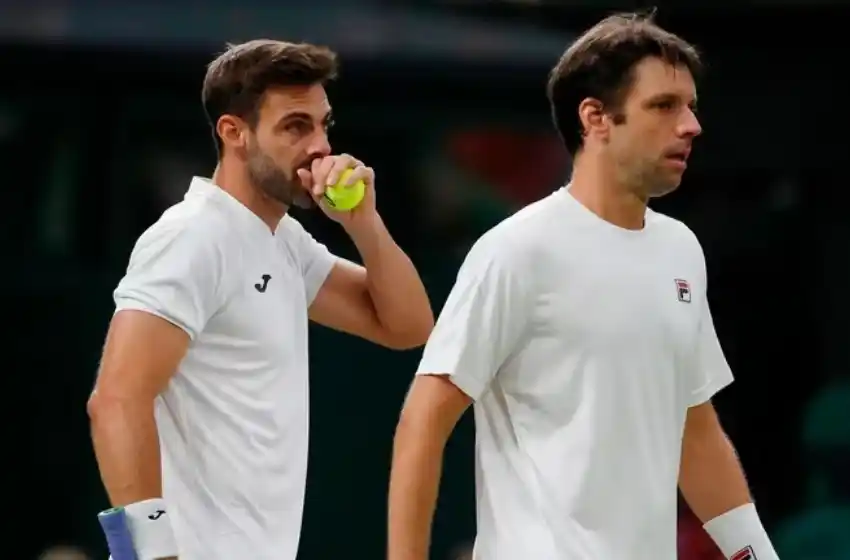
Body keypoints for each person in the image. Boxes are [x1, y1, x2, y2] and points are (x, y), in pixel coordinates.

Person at [388, 13, 779, 560]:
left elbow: (695, 429)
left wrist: (757, 555)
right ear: (595, 118)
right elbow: (424, 421)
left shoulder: (681, 250)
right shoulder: (517, 250)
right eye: (664, 105)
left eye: (690, 106)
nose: (691, 125)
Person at [88, 39, 434, 560]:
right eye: (296, 126)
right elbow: (115, 400)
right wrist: (150, 553)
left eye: (324, 125)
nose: (320, 147)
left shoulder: (284, 241)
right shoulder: (193, 236)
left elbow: (408, 326)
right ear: (235, 133)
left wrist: (364, 223)